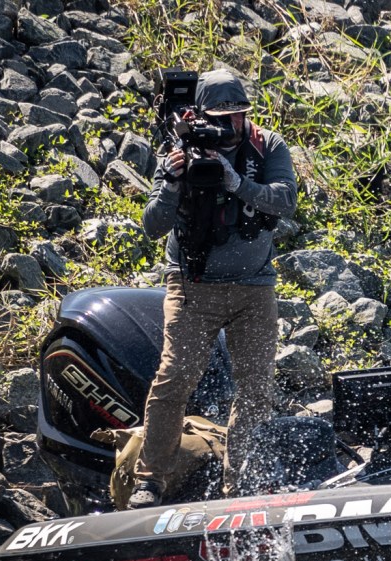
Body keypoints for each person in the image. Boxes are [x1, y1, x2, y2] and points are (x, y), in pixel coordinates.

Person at [127, 68, 298, 509]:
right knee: (175, 378)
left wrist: (236, 182)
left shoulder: (267, 145)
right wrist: (171, 183)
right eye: (220, 118)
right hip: (193, 285)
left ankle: (239, 484)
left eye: (237, 115)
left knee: (256, 388)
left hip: (254, 286)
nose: (229, 126)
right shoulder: (179, 149)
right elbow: (152, 226)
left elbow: (286, 200)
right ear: (200, 116)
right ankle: (150, 480)